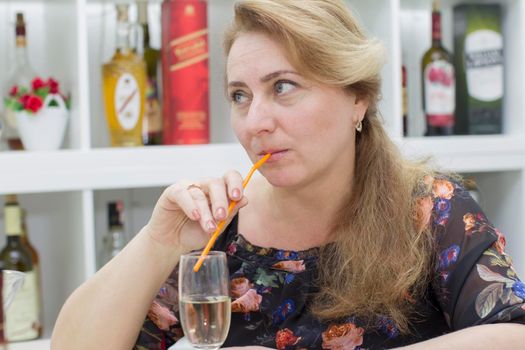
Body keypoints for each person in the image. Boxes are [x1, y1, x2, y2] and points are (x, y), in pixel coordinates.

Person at [52, 1, 525, 349]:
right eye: (240, 95)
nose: (255, 121)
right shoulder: (219, 228)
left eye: (284, 87)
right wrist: (157, 243)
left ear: (356, 98)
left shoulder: (430, 208)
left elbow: (513, 333)